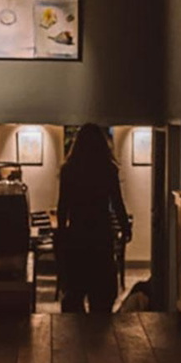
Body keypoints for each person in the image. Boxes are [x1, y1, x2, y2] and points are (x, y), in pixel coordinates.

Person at [56, 123, 130, 314]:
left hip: (77, 234)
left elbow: (63, 205)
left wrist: (62, 232)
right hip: (101, 234)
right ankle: (99, 335)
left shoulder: (69, 170)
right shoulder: (107, 169)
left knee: (75, 292)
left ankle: (75, 337)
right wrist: (125, 228)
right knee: (102, 294)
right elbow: (117, 202)